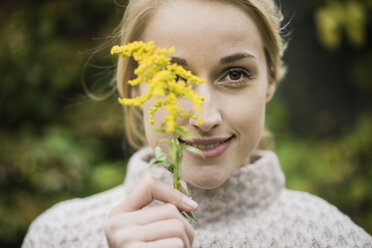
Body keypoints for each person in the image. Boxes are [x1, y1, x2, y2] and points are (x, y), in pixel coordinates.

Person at [22, 0, 372, 247]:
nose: (205, 118)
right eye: (174, 79)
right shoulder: (58, 236)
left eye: (235, 74)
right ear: (135, 86)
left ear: (270, 81)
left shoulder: (330, 237)